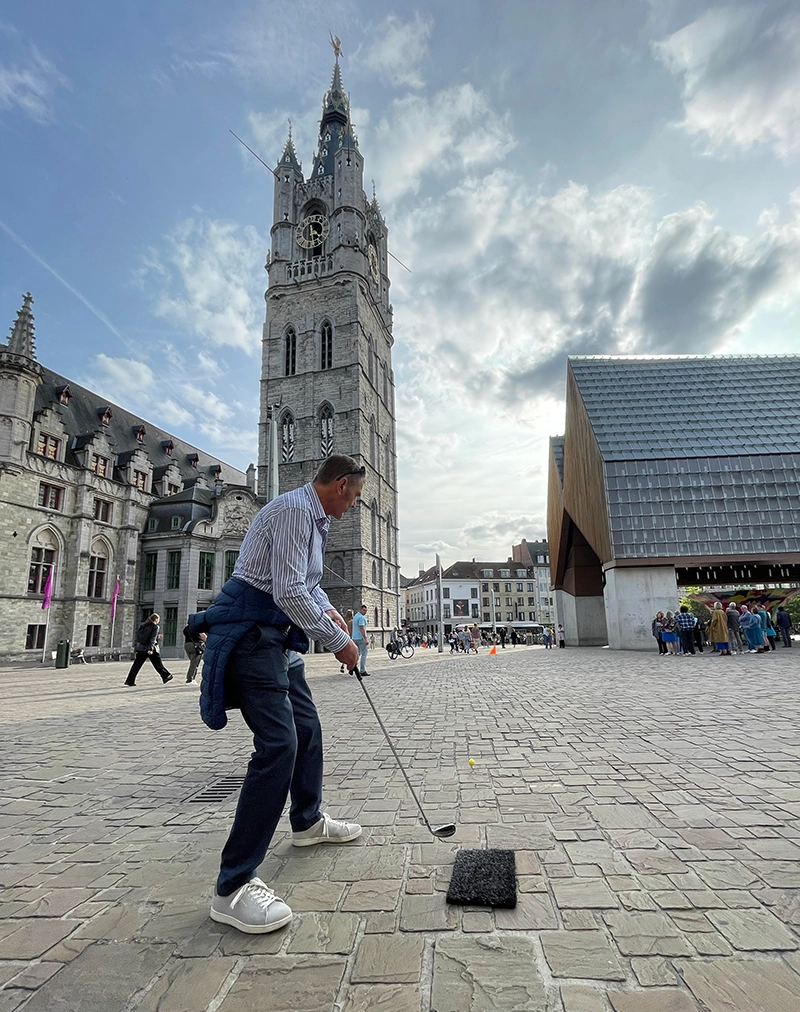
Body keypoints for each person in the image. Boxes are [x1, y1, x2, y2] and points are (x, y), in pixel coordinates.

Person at [187, 454, 365, 935]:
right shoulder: (292, 510)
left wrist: (331, 614)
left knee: (306, 728)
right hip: (250, 635)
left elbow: (307, 585)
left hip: (277, 636)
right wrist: (340, 644)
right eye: (353, 499)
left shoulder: (315, 519)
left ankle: (307, 821)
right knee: (278, 746)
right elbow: (287, 590)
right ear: (340, 484)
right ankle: (233, 885)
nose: (351, 509)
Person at [124, 614, 174, 686]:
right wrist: (150, 648)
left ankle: (130, 681)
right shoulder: (155, 627)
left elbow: (140, 636)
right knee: (158, 664)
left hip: (141, 648)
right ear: (156, 619)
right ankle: (166, 676)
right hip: (151, 648)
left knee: (136, 665)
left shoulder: (143, 626)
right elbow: (152, 638)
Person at [352, 604, 369, 676]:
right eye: (364, 610)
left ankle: (352, 667)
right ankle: (362, 670)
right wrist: (365, 638)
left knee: (357, 654)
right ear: (360, 609)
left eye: (366, 610)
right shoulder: (361, 618)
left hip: (354, 638)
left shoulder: (355, 616)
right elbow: (361, 628)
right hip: (361, 638)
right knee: (364, 654)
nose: (365, 612)